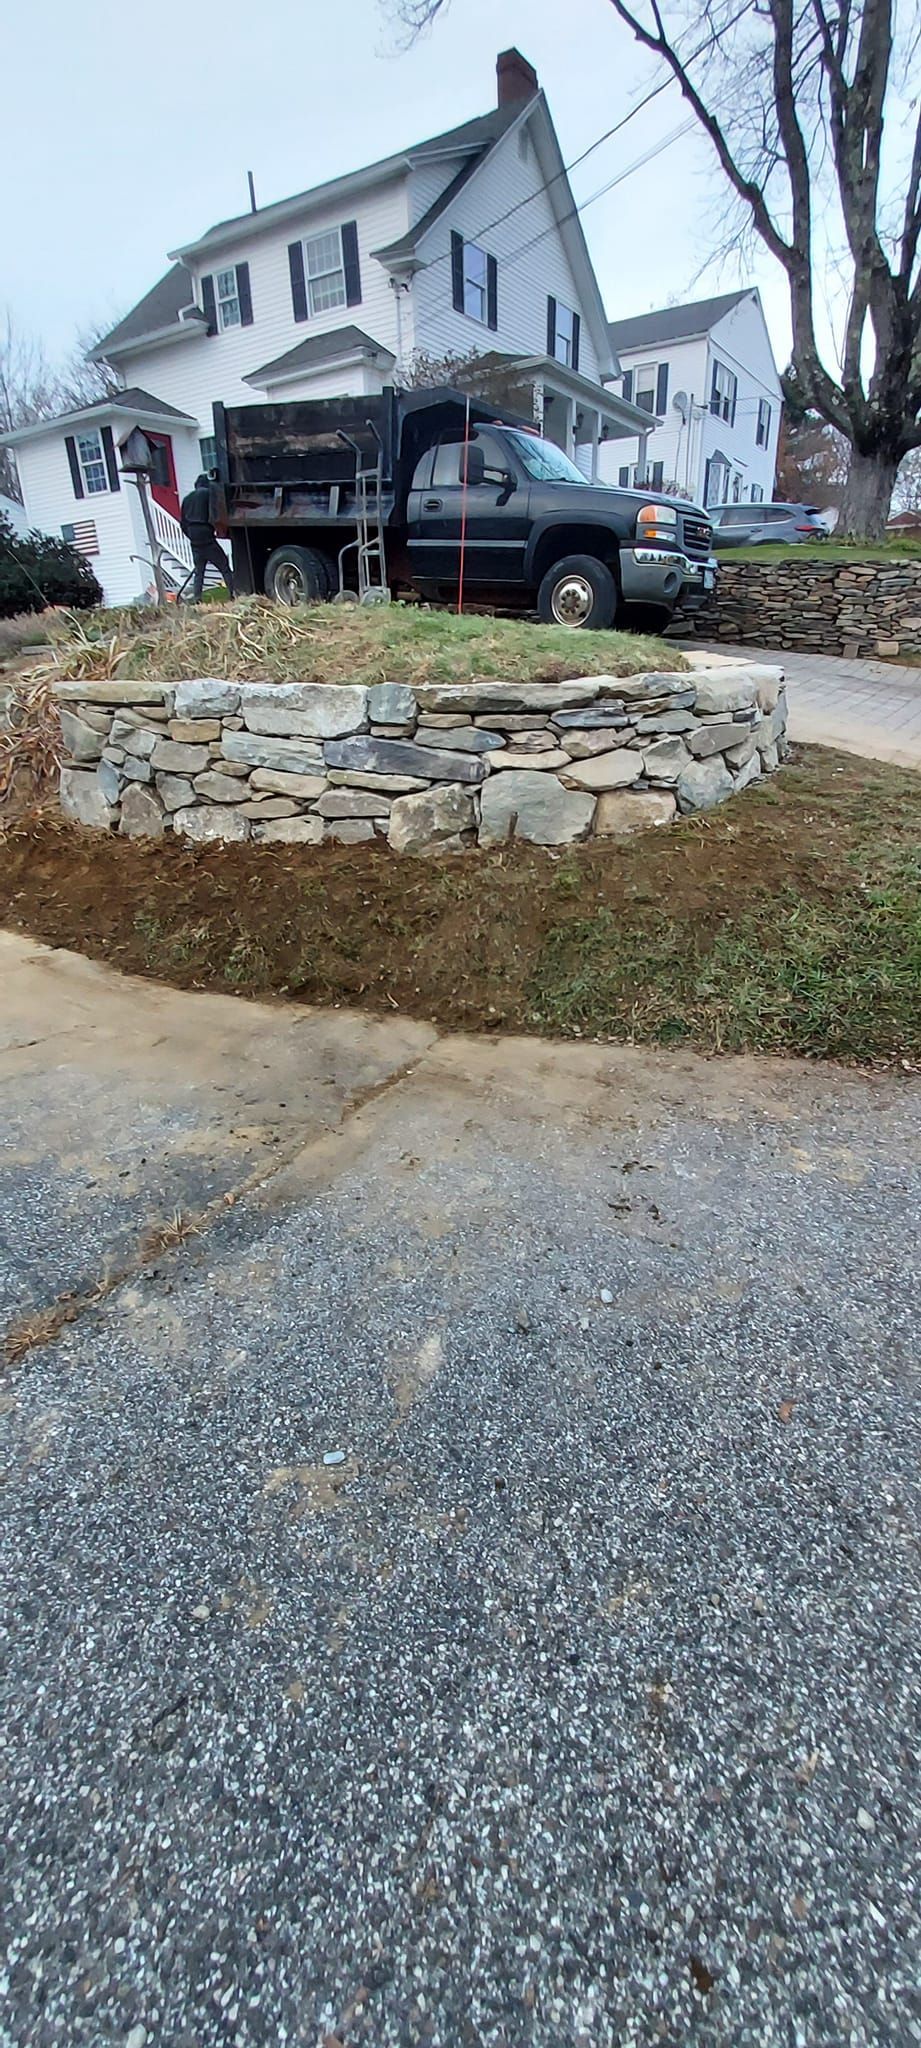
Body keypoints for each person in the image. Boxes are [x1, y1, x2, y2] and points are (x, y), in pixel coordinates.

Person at [180, 473, 235, 599]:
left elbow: (182, 523)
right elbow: (216, 513)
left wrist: (191, 536)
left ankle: (197, 598)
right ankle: (233, 594)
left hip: (193, 537)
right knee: (224, 566)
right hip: (206, 533)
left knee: (199, 572)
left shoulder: (187, 499)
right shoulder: (208, 494)